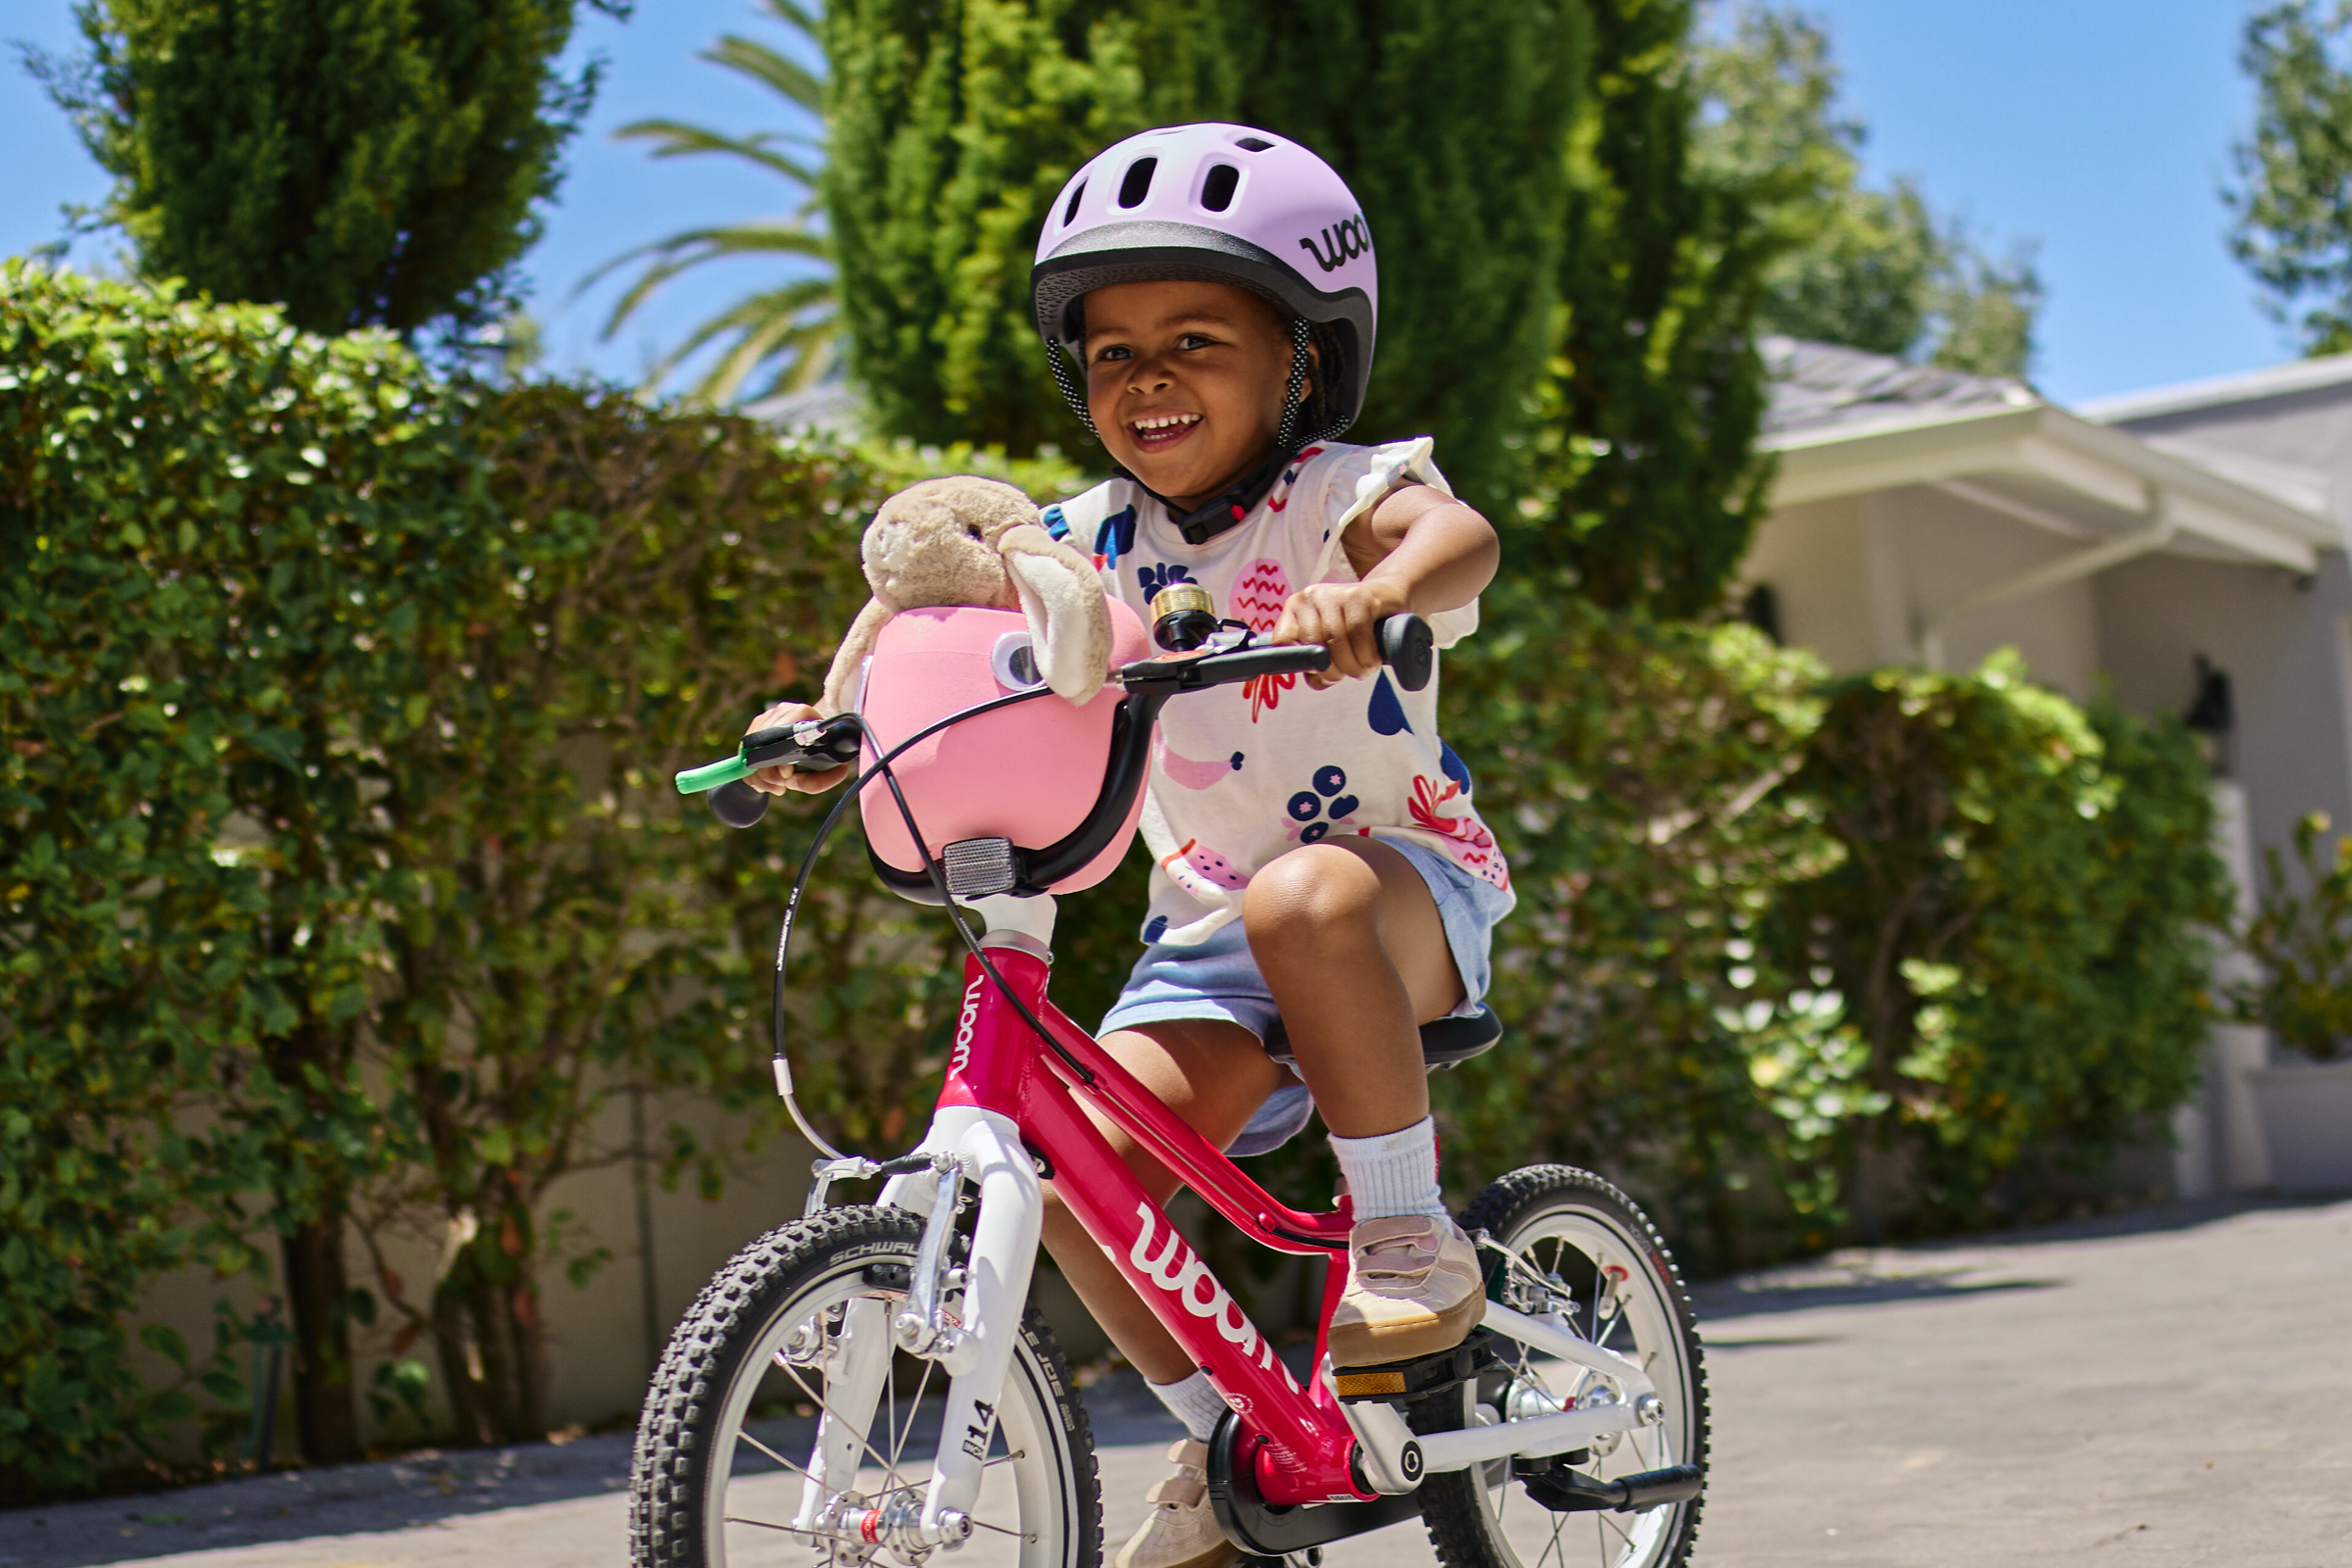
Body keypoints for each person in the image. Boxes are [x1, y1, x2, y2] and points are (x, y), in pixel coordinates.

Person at [747, 123, 1512, 1568]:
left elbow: (1455, 535)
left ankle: (1409, 1236)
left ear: (1301, 357)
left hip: (1397, 889)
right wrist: (835, 716)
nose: (1148, 375)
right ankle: (1232, 1431)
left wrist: (1383, 587)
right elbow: (946, 629)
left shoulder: (1337, 492)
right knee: (1071, 1179)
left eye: (1197, 338)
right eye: (1110, 353)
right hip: (1210, 933)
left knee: (1306, 895)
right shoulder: (1079, 541)